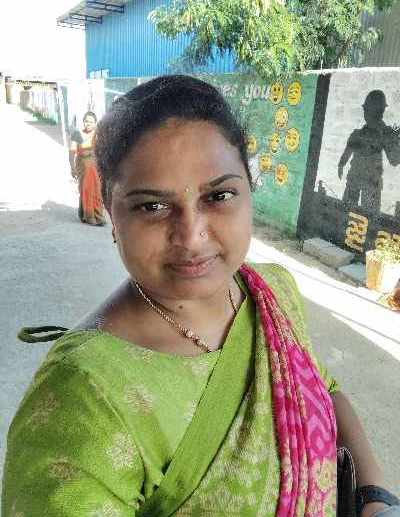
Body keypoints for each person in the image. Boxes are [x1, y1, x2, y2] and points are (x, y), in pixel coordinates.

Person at [2, 76, 399, 517]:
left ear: (249, 191)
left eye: (219, 195)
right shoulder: (81, 399)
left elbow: (324, 387)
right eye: (152, 206)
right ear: (112, 212)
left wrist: (375, 495)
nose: (191, 236)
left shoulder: (274, 291)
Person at [338, 90, 400, 213]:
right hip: (354, 181)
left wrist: (394, 141)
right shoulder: (358, 133)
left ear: (377, 111)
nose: (365, 112)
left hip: (370, 185)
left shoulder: (385, 133)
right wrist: (341, 165)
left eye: (367, 109)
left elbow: (395, 160)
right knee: (345, 213)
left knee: (368, 217)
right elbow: (348, 150)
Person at [69, 111, 105, 226]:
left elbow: (102, 150)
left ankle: (98, 215)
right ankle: (88, 216)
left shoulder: (97, 134)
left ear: (95, 123)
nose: (88, 124)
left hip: (95, 164)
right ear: (83, 122)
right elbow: (71, 152)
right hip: (82, 164)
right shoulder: (77, 133)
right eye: (86, 121)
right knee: (86, 189)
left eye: (91, 122)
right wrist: (72, 167)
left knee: (97, 189)